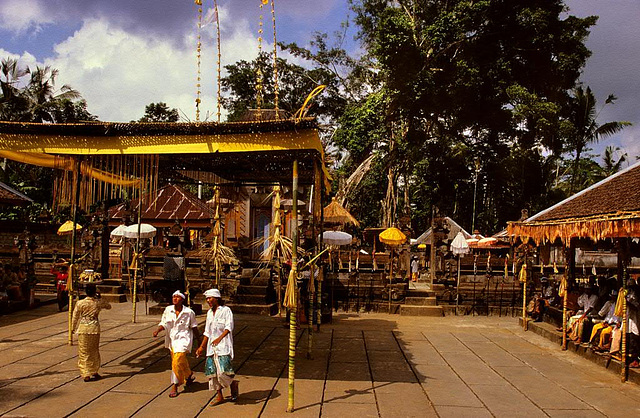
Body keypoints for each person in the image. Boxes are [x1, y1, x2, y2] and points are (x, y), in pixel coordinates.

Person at [153, 290, 200, 398]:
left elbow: (194, 327)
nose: (175, 298)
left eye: (177, 297)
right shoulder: (168, 310)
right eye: (173, 297)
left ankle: (175, 385)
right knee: (179, 362)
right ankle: (188, 375)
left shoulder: (189, 312)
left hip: (184, 339)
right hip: (172, 339)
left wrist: (200, 341)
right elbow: (163, 323)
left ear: (182, 299)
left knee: (177, 360)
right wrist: (157, 330)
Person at [196, 288, 239, 406]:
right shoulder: (209, 313)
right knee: (212, 372)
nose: (208, 301)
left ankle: (232, 383)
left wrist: (219, 338)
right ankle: (219, 395)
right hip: (211, 347)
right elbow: (207, 332)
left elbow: (228, 327)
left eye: (210, 298)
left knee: (223, 371)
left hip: (223, 346)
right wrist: (201, 347)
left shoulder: (226, 311)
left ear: (217, 298)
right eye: (207, 299)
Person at [72, 283, 111, 382]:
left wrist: (72, 328)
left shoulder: (80, 303)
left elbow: (75, 316)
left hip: (83, 328)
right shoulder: (98, 302)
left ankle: (85, 373)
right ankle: (94, 370)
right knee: (94, 350)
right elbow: (108, 306)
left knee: (84, 351)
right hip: (94, 328)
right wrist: (100, 297)